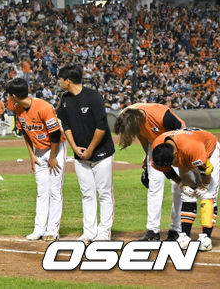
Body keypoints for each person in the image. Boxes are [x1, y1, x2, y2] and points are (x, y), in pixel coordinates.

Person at [56, 63, 114, 242]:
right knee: (87, 193)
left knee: (104, 193)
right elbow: (65, 124)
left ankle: (104, 232)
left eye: (60, 79)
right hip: (80, 155)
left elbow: (102, 126)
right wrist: (74, 147)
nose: (59, 82)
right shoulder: (65, 99)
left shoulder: (93, 97)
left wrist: (90, 150)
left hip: (102, 153)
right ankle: (89, 231)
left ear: (67, 80)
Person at [114, 103, 186, 241]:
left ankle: (176, 229)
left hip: (176, 146)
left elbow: (180, 132)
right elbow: (143, 138)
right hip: (155, 147)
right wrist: (147, 156)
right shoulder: (129, 116)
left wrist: (173, 158)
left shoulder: (162, 117)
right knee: (154, 187)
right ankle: (153, 230)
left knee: (177, 187)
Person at [6, 78, 65, 242]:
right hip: (38, 152)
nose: (8, 99)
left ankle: (52, 229)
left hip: (56, 149)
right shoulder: (18, 109)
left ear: (13, 96)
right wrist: (31, 155)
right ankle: (39, 229)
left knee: (55, 191)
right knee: (41, 192)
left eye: (9, 96)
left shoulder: (44, 107)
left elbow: (55, 134)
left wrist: (53, 157)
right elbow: (24, 132)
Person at [150, 128, 220, 252]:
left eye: (172, 162)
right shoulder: (158, 150)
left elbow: (206, 170)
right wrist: (181, 184)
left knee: (207, 196)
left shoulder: (192, 148)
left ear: (175, 154)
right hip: (186, 156)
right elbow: (167, 171)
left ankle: (206, 238)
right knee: (188, 194)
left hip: (209, 153)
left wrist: (204, 185)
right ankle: (185, 236)